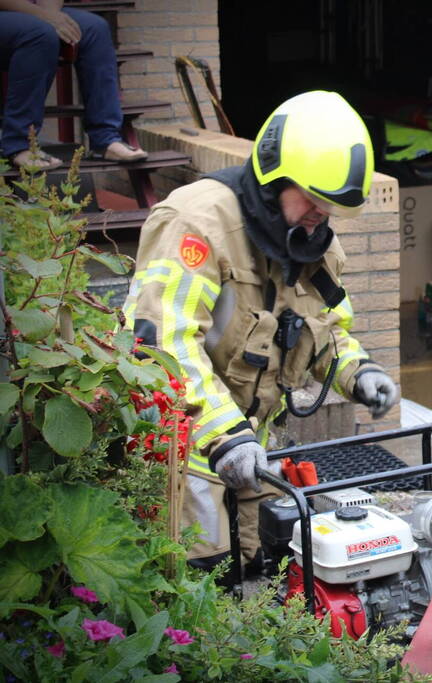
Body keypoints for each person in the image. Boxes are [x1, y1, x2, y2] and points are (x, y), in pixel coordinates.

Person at [124, 90, 399, 571]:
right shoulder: (197, 224)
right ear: (275, 180)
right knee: (196, 580)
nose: (320, 217)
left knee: (251, 573)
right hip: (186, 455)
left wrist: (359, 372)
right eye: (313, 200)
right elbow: (160, 345)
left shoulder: (312, 245)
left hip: (250, 451)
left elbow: (325, 332)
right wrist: (225, 434)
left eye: (330, 208)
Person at [0, 0, 147, 170]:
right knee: (39, 33)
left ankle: (105, 139)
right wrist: (45, 17)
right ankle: (18, 145)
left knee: (95, 28)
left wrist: (51, 14)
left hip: (36, 13)